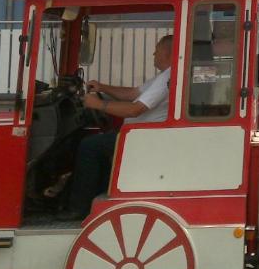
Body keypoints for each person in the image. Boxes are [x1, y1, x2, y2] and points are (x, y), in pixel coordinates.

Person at [60, 34, 174, 221]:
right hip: (136, 135)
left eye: (157, 50)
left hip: (141, 138)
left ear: (168, 53)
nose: (153, 53)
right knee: (100, 144)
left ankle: (78, 208)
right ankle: (96, 194)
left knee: (89, 146)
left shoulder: (168, 78)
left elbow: (135, 109)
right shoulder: (163, 77)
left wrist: (98, 105)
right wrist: (102, 87)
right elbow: (132, 94)